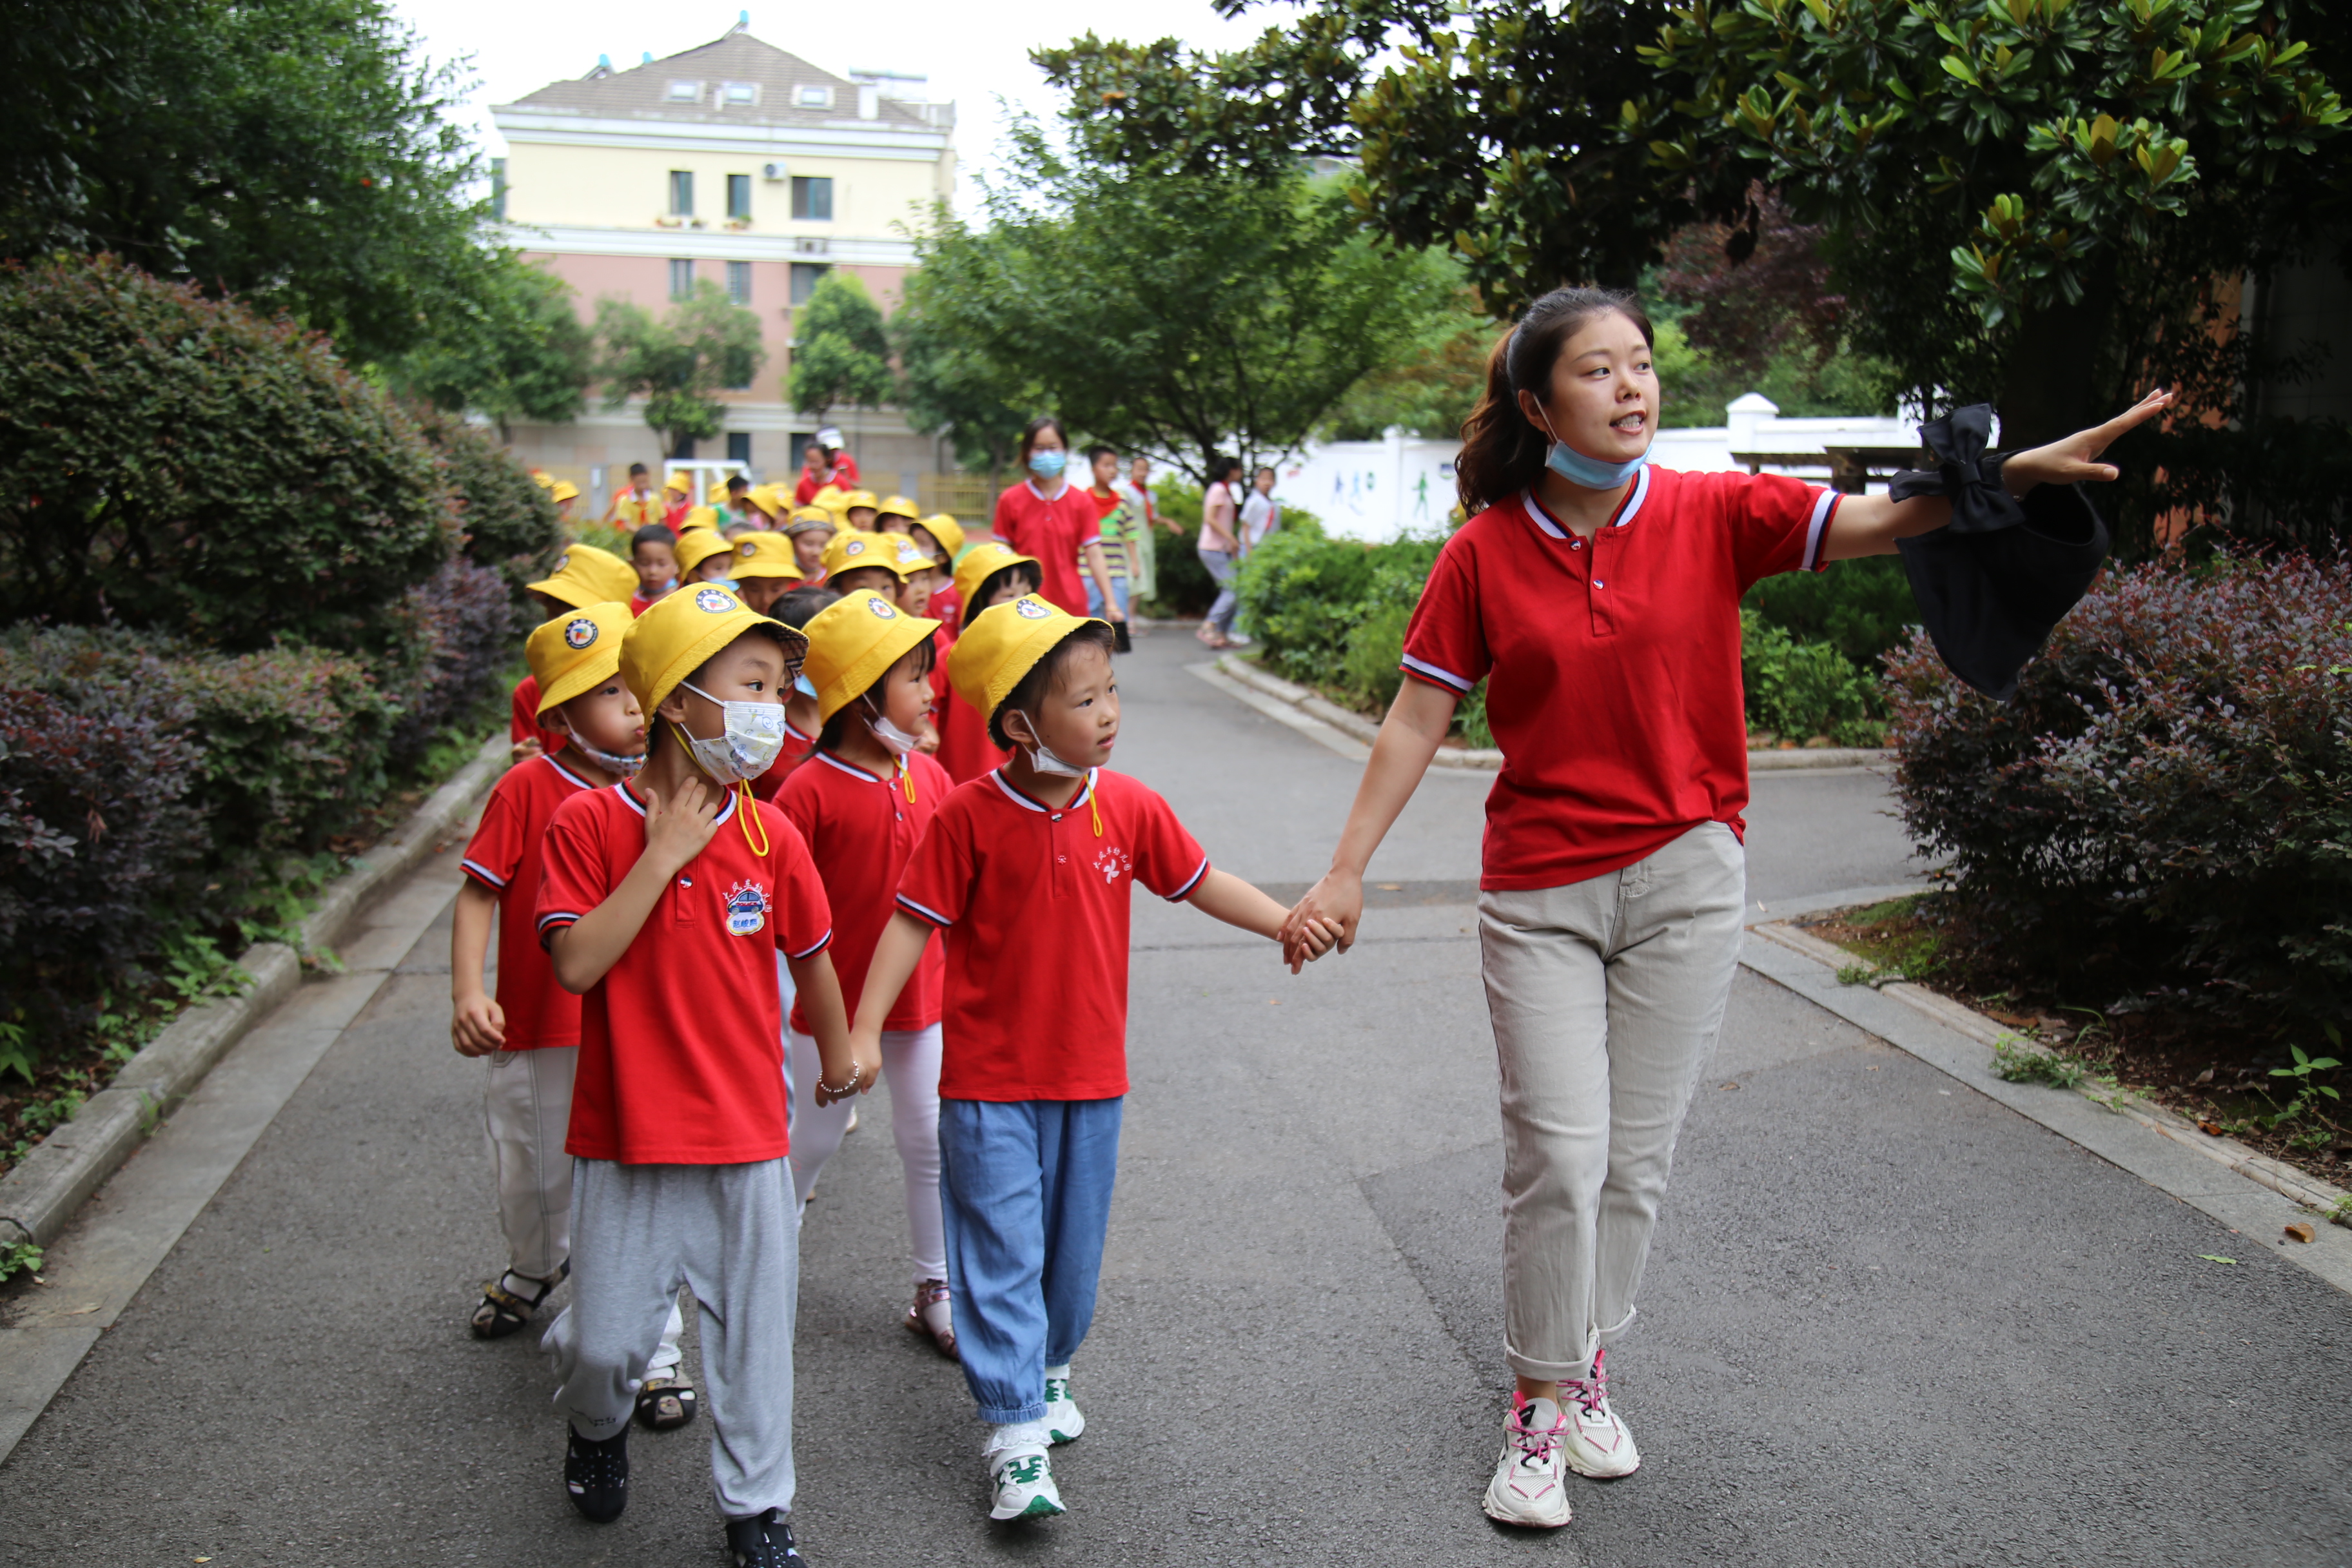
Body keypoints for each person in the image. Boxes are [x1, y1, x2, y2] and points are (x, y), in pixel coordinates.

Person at [1272, 286, 2175, 1531]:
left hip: (1688, 885)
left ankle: (1586, 1362)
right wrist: (1345, 867)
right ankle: (1534, 1407)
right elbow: (1417, 713)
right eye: (1598, 371)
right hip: (1539, 890)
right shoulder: (1482, 551)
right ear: (1539, 407)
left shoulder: (1711, 512)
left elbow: (1878, 518)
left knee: (1633, 1164)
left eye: (1640, 364)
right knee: (1559, 1156)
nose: (1632, 387)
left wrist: (2008, 479)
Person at [846, 596, 1338, 1521]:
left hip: (1090, 1083)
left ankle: (1050, 1370)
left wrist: (1287, 921)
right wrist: (868, 1028)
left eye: (1112, 691)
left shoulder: (1130, 806)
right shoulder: (964, 817)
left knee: (1071, 1263)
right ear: (1021, 725)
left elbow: (1200, 881)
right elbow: (912, 924)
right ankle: (1013, 1435)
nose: (1110, 713)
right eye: (1085, 701)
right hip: (989, 1085)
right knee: (999, 1252)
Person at [535, 583, 869, 1564]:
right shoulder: (590, 826)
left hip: (746, 1134)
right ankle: (596, 1427)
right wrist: (664, 853)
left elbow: (813, 954)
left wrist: (842, 1056)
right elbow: (576, 964)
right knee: (606, 1345)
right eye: (752, 684)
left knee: (753, 1342)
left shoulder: (774, 835)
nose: (774, 709)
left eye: (779, 686)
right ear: (678, 701)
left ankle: (757, 1508)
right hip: (625, 1134)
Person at [455, 603, 700, 1427]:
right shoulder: (526, 787)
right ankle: (533, 1266)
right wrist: (468, 991)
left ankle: (654, 1349)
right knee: (534, 1179)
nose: (630, 705)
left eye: (633, 686)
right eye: (603, 692)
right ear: (557, 715)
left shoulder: (674, 793)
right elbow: (479, 891)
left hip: (635, 1035)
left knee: (632, 1192)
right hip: (541, 1028)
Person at [777, 590, 959, 1355]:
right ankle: (758, 1268)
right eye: (913, 677)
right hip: (828, 1016)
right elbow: (782, 915)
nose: (930, 691)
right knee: (802, 1146)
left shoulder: (933, 778)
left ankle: (937, 1283)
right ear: (859, 693)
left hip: (921, 1008)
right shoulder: (806, 792)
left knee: (928, 1142)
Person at [990, 418, 1126, 625]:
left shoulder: (1081, 502)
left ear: (1065, 450)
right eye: (1039, 448)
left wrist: (1111, 603)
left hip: (1071, 607)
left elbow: (1095, 555)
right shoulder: (1010, 500)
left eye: (1053, 448)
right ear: (1027, 452)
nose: (1047, 455)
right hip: (1023, 607)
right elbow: (999, 558)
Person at [513, 546, 640, 761]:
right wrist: (524, 761)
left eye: (576, 612)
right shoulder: (529, 692)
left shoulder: (651, 678)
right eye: (551, 605)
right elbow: (528, 751)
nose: (558, 618)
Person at [931, 544, 1039, 784]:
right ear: (979, 604)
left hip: (1026, 787)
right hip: (963, 783)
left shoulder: (1040, 655)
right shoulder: (950, 659)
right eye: (1009, 595)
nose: (1021, 604)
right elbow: (927, 720)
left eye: (1027, 594)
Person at [1194, 456, 1243, 649]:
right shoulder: (1218, 489)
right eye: (1239, 469)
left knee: (1232, 590)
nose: (1241, 473)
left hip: (1220, 548)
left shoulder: (1225, 490)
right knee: (1233, 588)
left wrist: (1230, 544)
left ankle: (1220, 634)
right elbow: (1210, 519)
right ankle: (1209, 625)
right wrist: (1231, 538)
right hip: (1211, 547)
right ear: (1232, 470)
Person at [1112, 456, 1171, 605]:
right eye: (1139, 469)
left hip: (1147, 540)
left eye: (1145, 469)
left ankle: (1130, 619)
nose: (1143, 473)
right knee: (1135, 579)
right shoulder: (1125, 493)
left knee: (1143, 582)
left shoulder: (1150, 495)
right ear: (1132, 471)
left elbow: (1154, 517)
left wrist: (1169, 522)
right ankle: (1128, 620)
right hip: (1131, 541)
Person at [1081, 447, 1132, 621]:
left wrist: (1135, 563)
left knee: (1119, 619)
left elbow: (1130, 533)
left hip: (1116, 570)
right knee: (1089, 622)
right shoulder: (1082, 501)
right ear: (1093, 469)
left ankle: (1119, 649)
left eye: (1115, 466)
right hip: (1086, 571)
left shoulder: (1122, 501)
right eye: (1106, 465)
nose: (1112, 471)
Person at [729, 534, 805, 617]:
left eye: (776, 590)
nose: (765, 600)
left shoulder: (801, 619)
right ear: (741, 585)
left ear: (790, 582)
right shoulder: (732, 620)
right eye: (754, 590)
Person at [796, 427, 859, 505]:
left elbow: (854, 495)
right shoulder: (804, 483)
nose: (813, 466)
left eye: (816, 462)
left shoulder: (846, 465)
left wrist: (847, 480)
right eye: (810, 462)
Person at [604, 463, 665, 529]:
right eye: (640, 482)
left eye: (645, 481)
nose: (643, 485)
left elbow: (661, 520)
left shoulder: (655, 498)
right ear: (631, 479)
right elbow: (624, 522)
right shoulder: (624, 497)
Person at [785, 507, 837, 582]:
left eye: (823, 545)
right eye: (808, 544)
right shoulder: (785, 580)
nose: (816, 552)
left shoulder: (833, 578)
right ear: (792, 543)